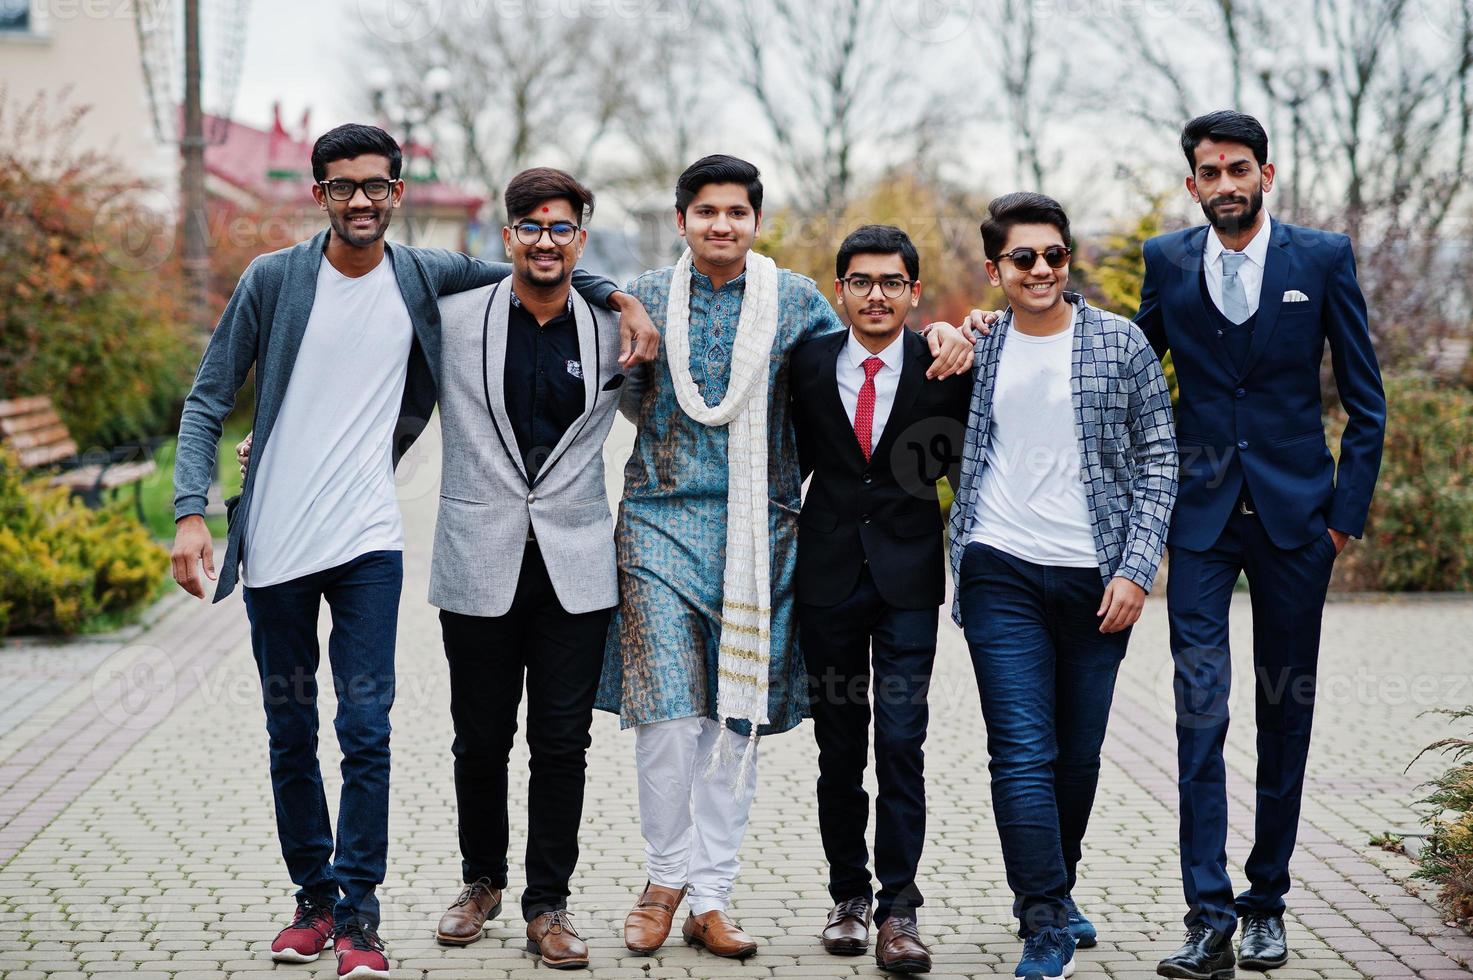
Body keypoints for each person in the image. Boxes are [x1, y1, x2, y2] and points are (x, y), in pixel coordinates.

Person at [170, 125, 653, 980]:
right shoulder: (274, 280)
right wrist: (189, 512)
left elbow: (546, 265)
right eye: (342, 185)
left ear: (397, 192)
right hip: (275, 543)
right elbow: (208, 396)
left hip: (369, 542)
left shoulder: (423, 274)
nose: (361, 199)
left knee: (366, 730)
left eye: (376, 185)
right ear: (317, 193)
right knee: (291, 731)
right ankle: (313, 900)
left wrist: (622, 298)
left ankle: (361, 916)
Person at [596, 155, 975, 960]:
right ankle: (664, 878)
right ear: (681, 221)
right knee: (667, 718)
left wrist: (946, 327)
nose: (721, 225)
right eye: (706, 212)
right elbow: (589, 326)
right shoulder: (644, 297)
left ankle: (711, 896)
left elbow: (866, 350)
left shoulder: (793, 302)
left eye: (736, 211)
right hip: (659, 524)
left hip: (759, 534)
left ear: (756, 222)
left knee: (734, 722)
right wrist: (614, 294)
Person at [1141, 111, 1385, 980]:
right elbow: (1134, 381)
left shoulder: (1320, 259)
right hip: (1200, 524)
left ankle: (1265, 905)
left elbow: (1366, 400)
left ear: (1266, 174)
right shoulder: (1164, 261)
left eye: (1237, 168)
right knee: (1199, 710)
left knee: (1285, 712)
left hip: (1295, 526)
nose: (1224, 183)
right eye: (1208, 172)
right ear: (1191, 184)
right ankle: (1207, 916)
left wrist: (1340, 518)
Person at [951, 193, 1177, 980]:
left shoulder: (1119, 344)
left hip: (1095, 579)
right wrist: (951, 329)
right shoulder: (980, 345)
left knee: (1075, 758)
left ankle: (1056, 886)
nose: (1041, 269)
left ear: (1067, 259)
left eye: (1053, 255)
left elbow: (1159, 460)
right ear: (995, 270)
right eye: (1023, 259)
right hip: (998, 567)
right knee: (1020, 751)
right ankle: (1043, 915)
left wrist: (1135, 568)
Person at [427, 168, 631, 969]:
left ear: (581, 238)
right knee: (478, 740)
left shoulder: (618, 331)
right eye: (530, 227)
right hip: (478, 557)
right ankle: (480, 883)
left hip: (575, 565)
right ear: (506, 236)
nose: (545, 241)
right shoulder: (450, 320)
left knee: (562, 743)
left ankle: (549, 903)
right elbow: (383, 396)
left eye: (561, 228)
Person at [789, 224, 973, 974]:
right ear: (840, 291)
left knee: (900, 745)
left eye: (890, 282)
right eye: (860, 281)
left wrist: (974, 323)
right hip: (827, 579)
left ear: (912, 291)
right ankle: (847, 898)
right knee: (838, 749)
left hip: (905, 582)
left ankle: (899, 907)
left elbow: (1044, 314)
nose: (875, 294)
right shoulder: (804, 364)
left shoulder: (945, 364)